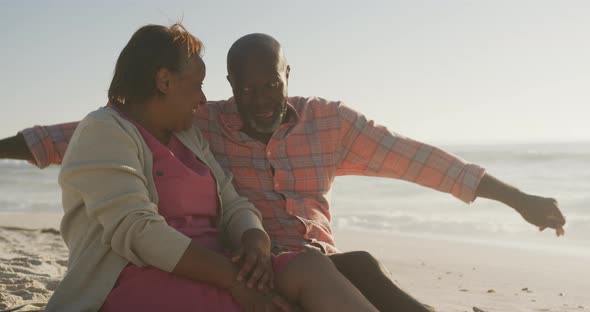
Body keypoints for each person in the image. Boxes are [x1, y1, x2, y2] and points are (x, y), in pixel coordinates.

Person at [0, 33, 566, 312]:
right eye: (242, 88)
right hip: (240, 269)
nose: (258, 98)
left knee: (351, 267)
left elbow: (422, 161)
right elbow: (77, 136)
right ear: (223, 87)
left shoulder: (331, 124)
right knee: (357, 269)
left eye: (270, 83)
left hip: (292, 261)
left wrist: (519, 200)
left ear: (287, 73)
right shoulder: (202, 119)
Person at [39, 23, 377, 312]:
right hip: (137, 274)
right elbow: (137, 231)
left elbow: (233, 203)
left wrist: (255, 242)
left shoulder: (188, 135)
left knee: (311, 269)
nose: (203, 99)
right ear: (164, 81)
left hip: (218, 265)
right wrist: (233, 281)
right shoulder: (104, 129)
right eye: (197, 84)